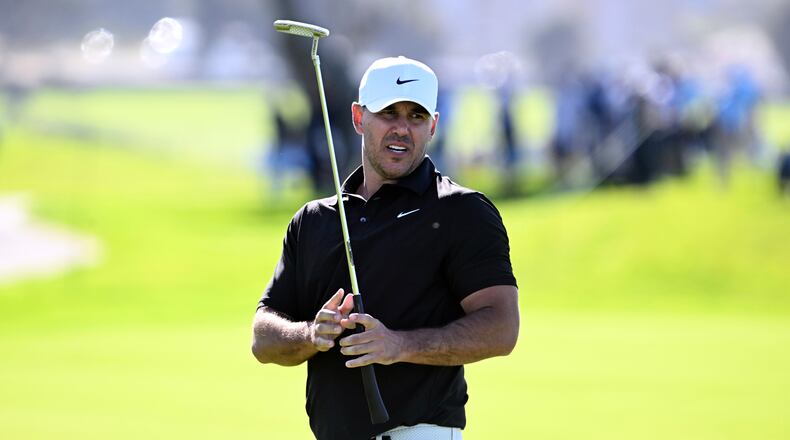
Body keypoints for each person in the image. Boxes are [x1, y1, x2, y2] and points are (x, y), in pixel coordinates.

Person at [251, 56, 519, 440]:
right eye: (388, 113)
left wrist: (399, 345)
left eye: (415, 116)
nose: (401, 129)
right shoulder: (315, 220)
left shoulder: (462, 211)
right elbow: (263, 336)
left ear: (433, 125)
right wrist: (311, 335)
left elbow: (501, 327)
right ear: (359, 118)